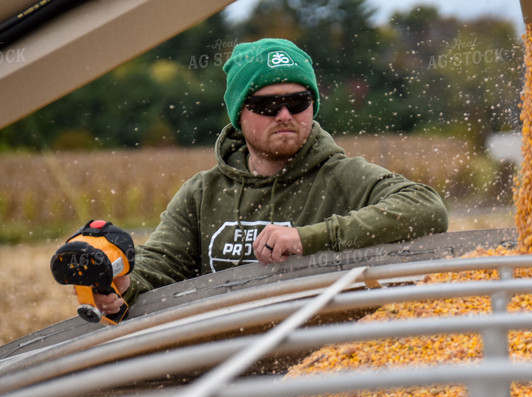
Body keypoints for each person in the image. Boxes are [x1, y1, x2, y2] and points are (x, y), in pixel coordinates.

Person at [94, 38, 449, 316]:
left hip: (319, 360)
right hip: (222, 360)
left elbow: (427, 209)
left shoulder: (341, 176)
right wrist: (123, 284)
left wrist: (307, 239)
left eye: (297, 102)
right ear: (239, 113)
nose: (284, 115)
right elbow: (161, 266)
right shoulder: (201, 193)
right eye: (266, 105)